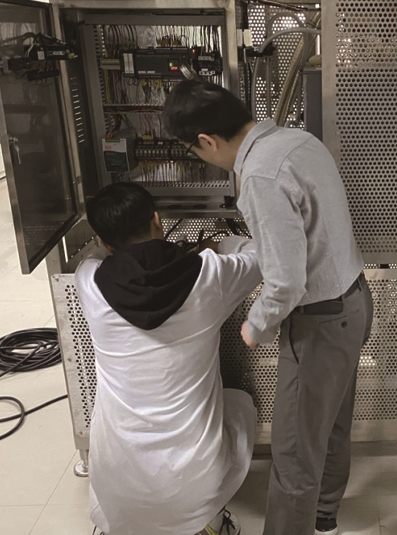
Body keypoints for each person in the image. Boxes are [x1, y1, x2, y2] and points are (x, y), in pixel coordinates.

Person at [163, 81, 374, 535]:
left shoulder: (259, 175)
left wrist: (255, 325)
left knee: (295, 452)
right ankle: (323, 519)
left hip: (320, 322)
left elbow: (286, 282)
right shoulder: (298, 140)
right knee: (330, 426)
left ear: (206, 141)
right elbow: (301, 236)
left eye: (195, 152)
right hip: (353, 300)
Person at [75, 182, 261, 535]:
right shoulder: (211, 274)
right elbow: (263, 256)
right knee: (238, 404)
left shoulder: (89, 281)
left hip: (116, 482)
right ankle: (212, 523)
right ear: (157, 220)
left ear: (104, 242)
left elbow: (101, 260)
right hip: (195, 482)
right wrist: (216, 245)